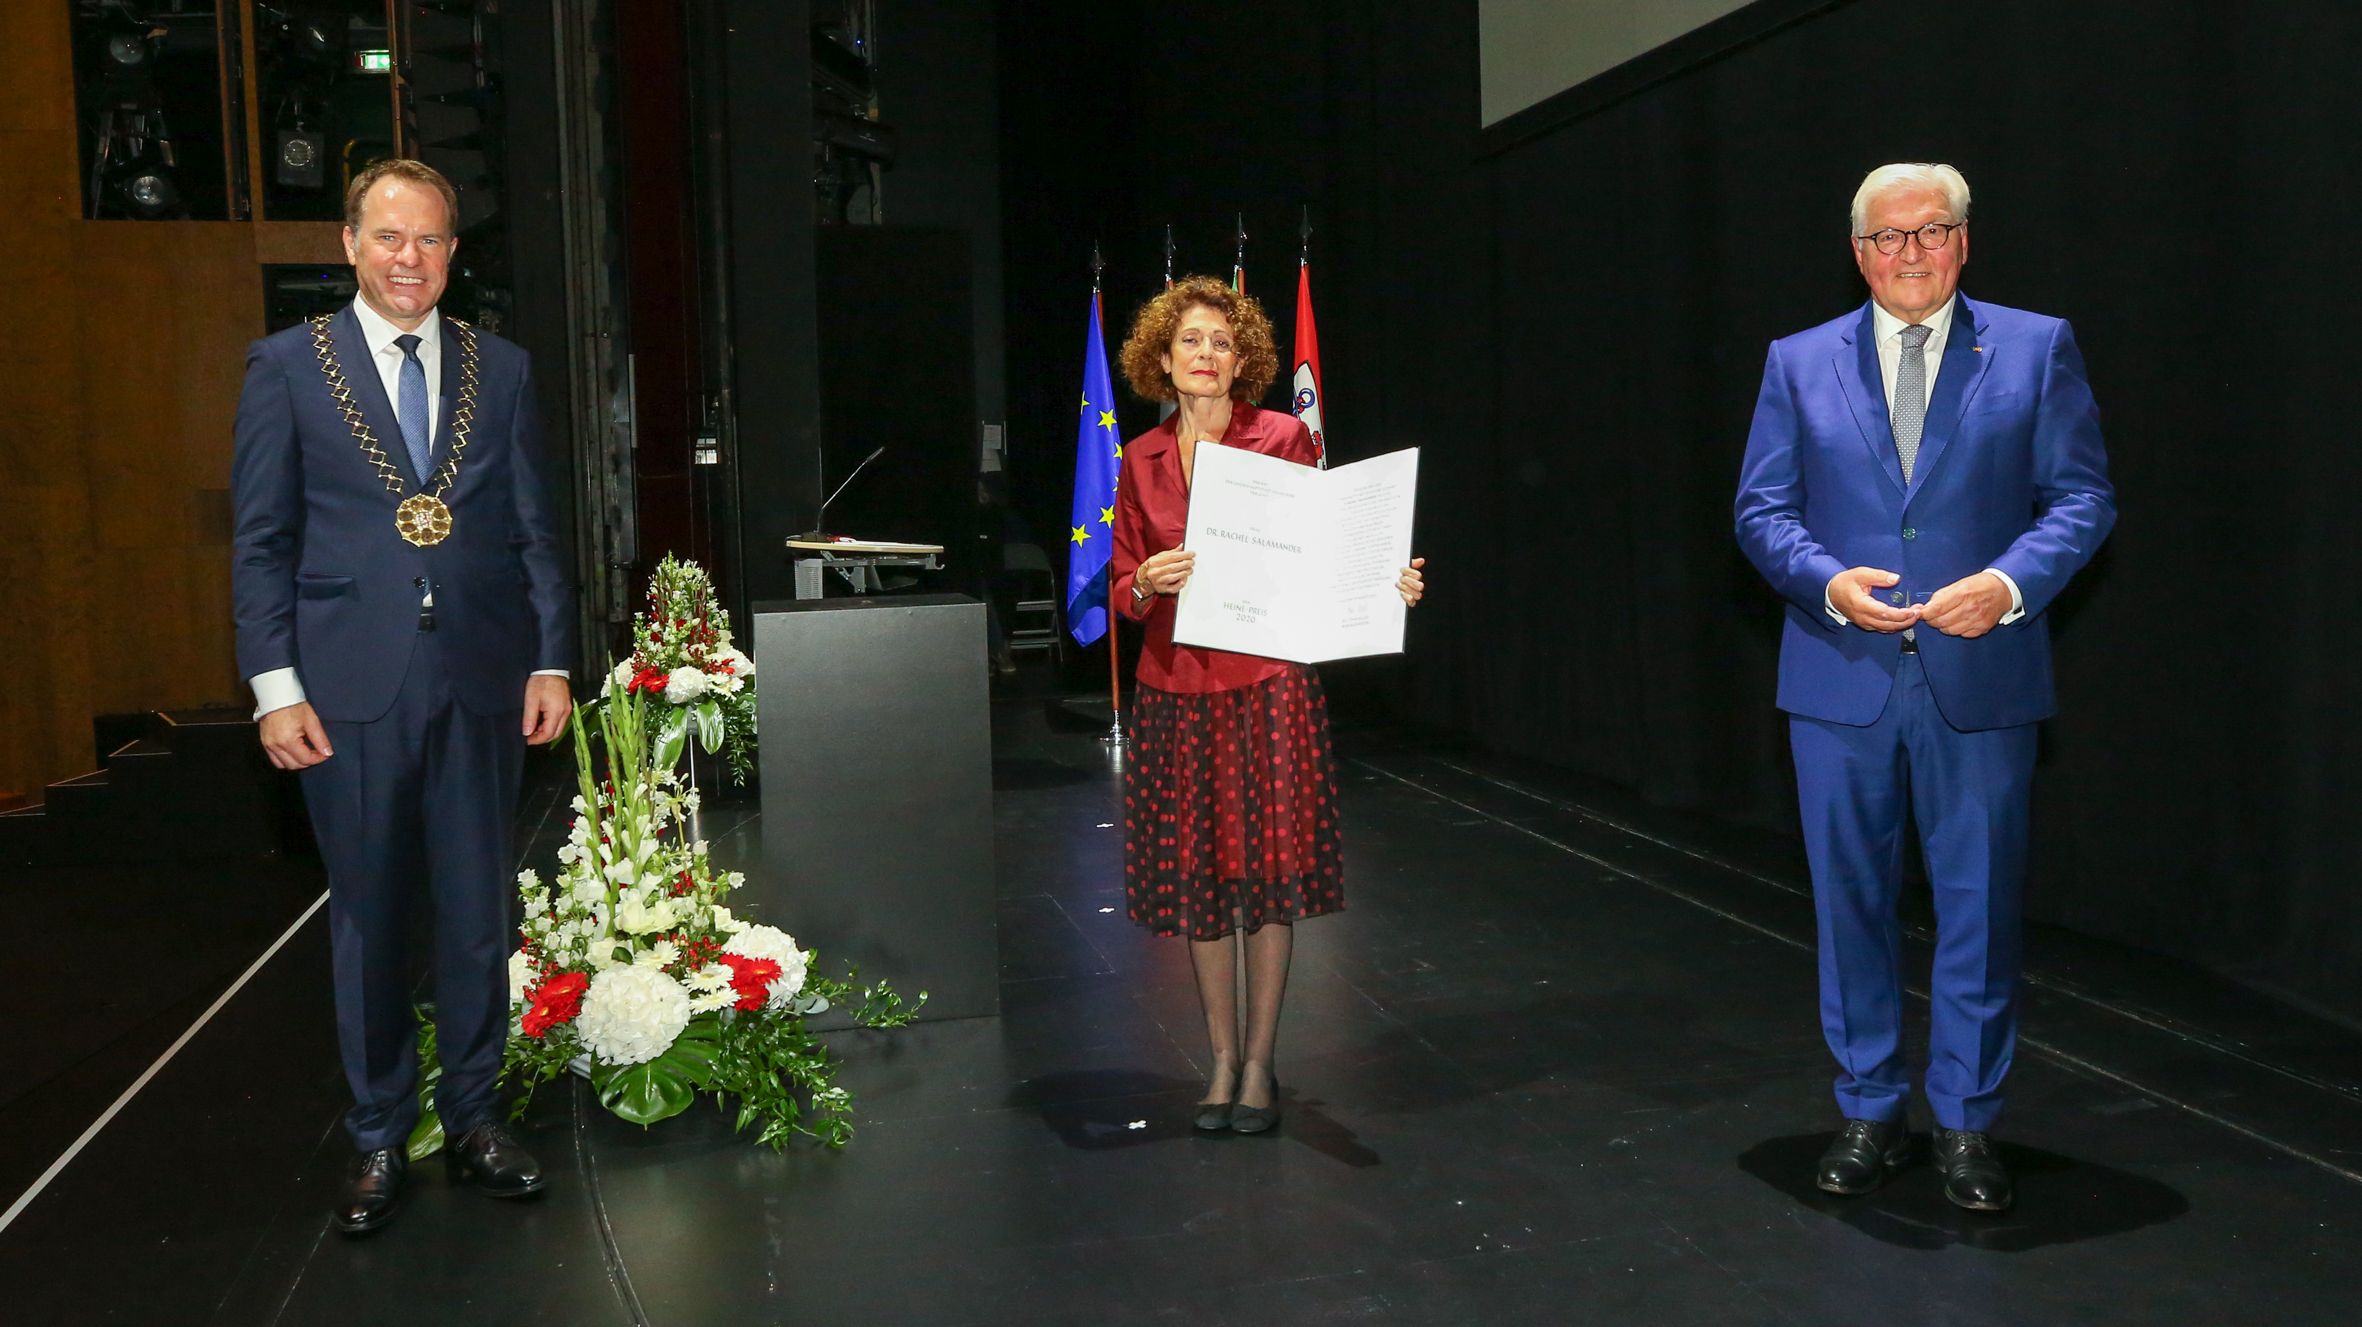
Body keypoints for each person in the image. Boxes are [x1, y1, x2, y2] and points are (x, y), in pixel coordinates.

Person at [1734, 163, 2115, 1212]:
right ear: (1858, 253)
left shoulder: (2034, 347)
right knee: (1847, 903)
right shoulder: (1796, 361)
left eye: (1932, 232)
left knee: (1979, 909)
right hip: (1838, 677)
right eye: (1889, 239)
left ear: (1963, 241)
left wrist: (2005, 584)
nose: (1911, 255)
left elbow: (2081, 497)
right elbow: (1760, 511)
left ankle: (1965, 1121)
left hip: (1980, 676)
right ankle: (1867, 1107)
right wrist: (1826, 583)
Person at [231, 159, 577, 1234]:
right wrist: (274, 687)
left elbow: (532, 530)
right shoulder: (288, 367)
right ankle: (378, 1131)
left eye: (429, 241)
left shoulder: (501, 368)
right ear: (348, 244)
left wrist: (551, 659)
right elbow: (261, 543)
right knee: (373, 921)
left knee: (479, 918)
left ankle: (473, 1117)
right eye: (389, 238)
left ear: (453, 254)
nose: (409, 260)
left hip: (479, 680)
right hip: (345, 693)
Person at [1111, 276, 1425, 1133]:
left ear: (1239, 357)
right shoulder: (1137, 458)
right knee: (1202, 882)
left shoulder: (1281, 437)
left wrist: (1383, 578)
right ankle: (1216, 1059)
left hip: (1265, 686)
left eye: (1221, 341)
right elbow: (1117, 593)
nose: (1206, 355)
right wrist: (1143, 577)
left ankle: (1260, 1065)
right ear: (1162, 361)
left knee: (1267, 875)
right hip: (1174, 689)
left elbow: (1324, 548)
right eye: (1190, 342)